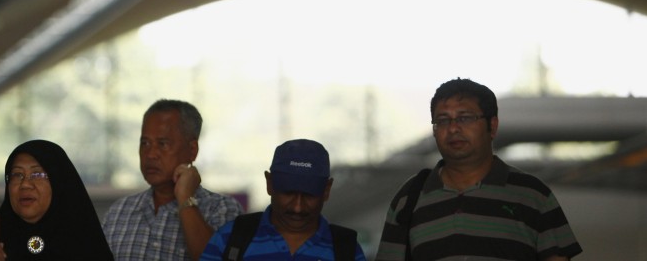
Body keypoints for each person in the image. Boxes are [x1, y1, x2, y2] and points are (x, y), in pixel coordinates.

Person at [375, 78, 583, 261]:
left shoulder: (533, 195)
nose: (453, 128)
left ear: (492, 126)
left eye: (465, 118)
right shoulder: (409, 198)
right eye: (443, 120)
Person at [102, 99, 241, 261]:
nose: (151, 154)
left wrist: (185, 198)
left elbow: (213, 258)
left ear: (192, 150)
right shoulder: (119, 212)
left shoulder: (221, 209)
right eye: (144, 143)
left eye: (163, 144)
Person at [200, 139, 366, 261]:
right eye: (288, 193)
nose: (298, 207)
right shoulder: (230, 240)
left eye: (309, 195)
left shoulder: (347, 250)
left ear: (326, 190)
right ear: (269, 183)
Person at [0, 139, 113, 261]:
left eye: (37, 174)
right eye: (17, 174)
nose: (25, 184)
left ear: (58, 182)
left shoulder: (85, 243)